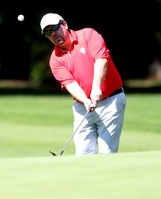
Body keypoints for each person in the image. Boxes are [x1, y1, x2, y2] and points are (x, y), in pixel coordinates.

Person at [40, 13, 126, 155]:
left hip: (111, 101)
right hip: (82, 107)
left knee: (107, 153)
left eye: (55, 28)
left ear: (65, 24)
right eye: (48, 32)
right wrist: (85, 100)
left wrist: (96, 88)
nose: (53, 34)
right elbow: (70, 84)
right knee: (83, 154)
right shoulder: (55, 60)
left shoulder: (88, 35)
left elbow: (101, 60)